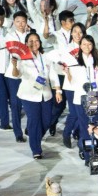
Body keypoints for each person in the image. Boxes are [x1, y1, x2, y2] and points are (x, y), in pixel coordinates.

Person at [12, 31, 61, 159]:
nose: (34, 43)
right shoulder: (22, 58)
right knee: (34, 121)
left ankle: (33, 135)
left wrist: (58, 90)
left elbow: (53, 74)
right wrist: (14, 66)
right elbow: (17, 74)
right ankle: (36, 149)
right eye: (31, 41)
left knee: (47, 121)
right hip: (29, 95)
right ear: (26, 43)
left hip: (46, 94)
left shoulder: (46, 57)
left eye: (36, 40)